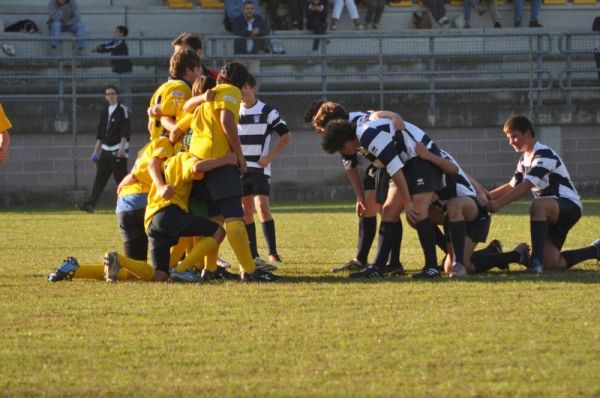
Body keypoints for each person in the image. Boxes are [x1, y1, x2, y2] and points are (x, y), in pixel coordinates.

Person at [321, 113, 449, 279]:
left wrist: (408, 201)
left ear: (346, 140)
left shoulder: (367, 136)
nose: (342, 152)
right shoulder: (360, 141)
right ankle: (378, 267)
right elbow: (394, 167)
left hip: (421, 158)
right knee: (389, 211)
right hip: (406, 164)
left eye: (340, 147)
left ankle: (431, 268)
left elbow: (394, 167)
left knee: (418, 210)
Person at [186, 61, 279, 281]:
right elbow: (226, 120)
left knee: (215, 220)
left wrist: (200, 97)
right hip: (219, 162)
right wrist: (239, 156)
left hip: (200, 164)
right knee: (234, 217)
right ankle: (249, 270)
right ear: (240, 82)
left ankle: (206, 270)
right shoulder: (230, 92)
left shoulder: (210, 94)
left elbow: (187, 108)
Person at [486, 115, 599, 272]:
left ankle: (535, 261)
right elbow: (512, 185)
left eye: (514, 137)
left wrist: (498, 204)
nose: (511, 142)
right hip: (550, 212)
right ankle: (595, 250)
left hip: (568, 206)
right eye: (509, 138)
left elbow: (526, 186)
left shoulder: (543, 153)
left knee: (538, 205)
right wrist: (487, 197)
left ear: (527, 133)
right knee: (552, 264)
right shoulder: (524, 159)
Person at [103, 150, 237, 283]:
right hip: (168, 213)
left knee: (160, 275)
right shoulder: (184, 157)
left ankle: (119, 260)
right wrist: (225, 160)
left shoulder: (163, 161)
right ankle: (182, 269)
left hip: (151, 220)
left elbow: (149, 166)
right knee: (219, 232)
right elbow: (197, 167)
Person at [239, 73, 291, 267]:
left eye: (245, 86)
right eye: (238, 87)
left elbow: (285, 135)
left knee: (262, 206)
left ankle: (273, 252)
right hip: (241, 169)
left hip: (260, 169)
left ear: (253, 88)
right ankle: (253, 253)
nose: (242, 91)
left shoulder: (267, 111)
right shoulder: (233, 111)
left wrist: (269, 157)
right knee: (246, 211)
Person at [76, 85, 130, 213]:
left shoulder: (122, 110)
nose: (110, 96)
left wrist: (122, 148)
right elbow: (100, 133)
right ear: (105, 97)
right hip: (105, 150)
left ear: (117, 95)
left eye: (113, 93)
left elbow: (125, 130)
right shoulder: (105, 111)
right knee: (100, 178)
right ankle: (90, 204)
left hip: (118, 149)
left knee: (121, 180)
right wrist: (96, 151)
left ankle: (128, 205)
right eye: (108, 94)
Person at [92, 25, 133, 111]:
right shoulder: (115, 41)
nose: (115, 33)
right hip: (119, 69)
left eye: (117, 31)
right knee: (121, 89)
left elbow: (111, 48)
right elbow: (107, 44)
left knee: (126, 89)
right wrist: (99, 47)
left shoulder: (120, 42)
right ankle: (122, 107)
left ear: (121, 34)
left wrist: (99, 49)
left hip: (125, 69)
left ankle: (128, 108)